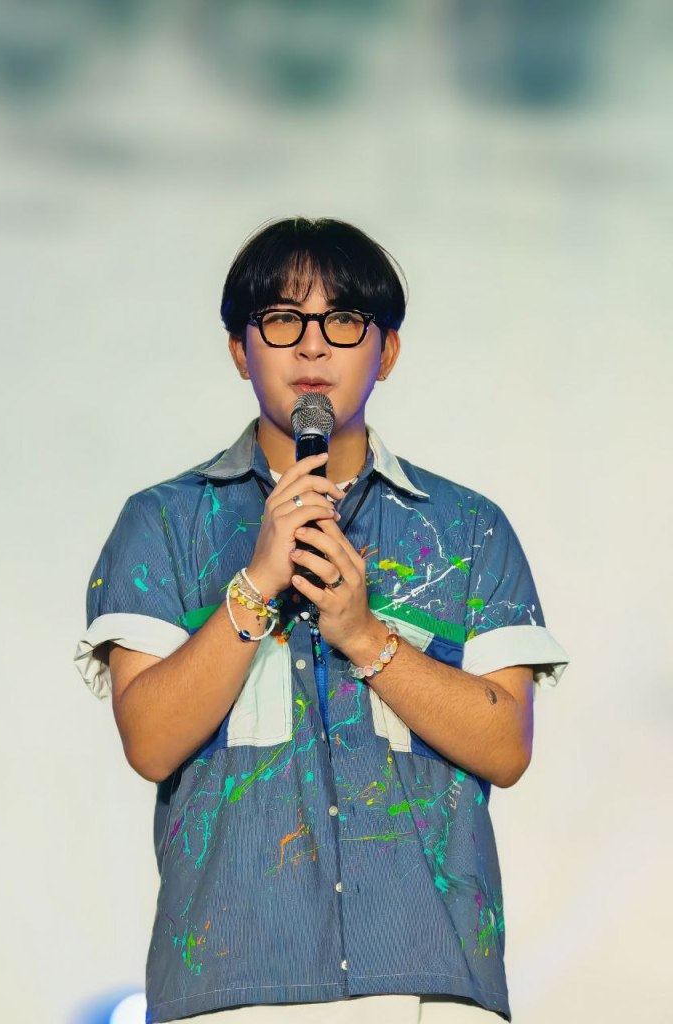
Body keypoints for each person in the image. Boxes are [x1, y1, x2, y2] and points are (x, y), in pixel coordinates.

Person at [74, 217, 568, 1023]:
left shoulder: (467, 529)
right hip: (230, 989)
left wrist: (366, 637)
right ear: (241, 350)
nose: (312, 346)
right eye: (282, 320)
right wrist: (256, 583)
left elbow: (506, 746)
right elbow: (151, 740)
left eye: (343, 320)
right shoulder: (164, 524)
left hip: (429, 985)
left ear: (387, 350)